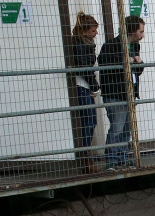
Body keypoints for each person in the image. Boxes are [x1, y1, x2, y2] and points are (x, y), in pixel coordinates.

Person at [96, 15, 145, 170]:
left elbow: (138, 70)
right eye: (141, 31)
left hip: (129, 92)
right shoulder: (111, 45)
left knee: (128, 128)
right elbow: (106, 64)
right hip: (114, 93)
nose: (143, 35)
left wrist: (139, 63)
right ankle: (111, 159)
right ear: (132, 31)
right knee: (117, 127)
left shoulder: (135, 46)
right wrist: (127, 61)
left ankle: (122, 157)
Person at [65, 13, 100, 167]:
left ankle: (86, 153)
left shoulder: (85, 43)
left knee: (90, 120)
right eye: (93, 31)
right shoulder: (80, 45)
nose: (96, 33)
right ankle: (85, 154)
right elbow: (85, 68)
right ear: (85, 31)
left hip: (84, 85)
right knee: (89, 120)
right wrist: (95, 87)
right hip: (81, 85)